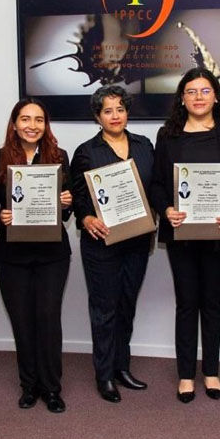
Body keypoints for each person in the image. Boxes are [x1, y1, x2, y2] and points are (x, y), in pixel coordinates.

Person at [149, 68, 220, 403]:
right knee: (187, 303)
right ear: (182, 98)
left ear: (216, 96)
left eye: (205, 90)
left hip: (218, 232)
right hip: (182, 233)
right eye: (191, 91)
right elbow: (156, 184)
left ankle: (212, 371)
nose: (198, 97)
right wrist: (166, 210)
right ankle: (186, 374)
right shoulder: (168, 135)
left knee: (211, 302)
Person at [0, 99, 73, 413]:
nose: (32, 125)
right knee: (22, 321)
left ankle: (52, 388)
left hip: (52, 255)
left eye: (39, 120)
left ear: (46, 125)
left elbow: (67, 211)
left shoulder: (59, 157)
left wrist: (67, 201)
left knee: (48, 319)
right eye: (25, 119)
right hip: (12, 255)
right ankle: (29, 386)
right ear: (15, 124)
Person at [70, 85, 155, 403]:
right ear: (98, 117)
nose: (115, 116)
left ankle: (122, 368)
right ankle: (104, 375)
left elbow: (155, 187)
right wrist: (86, 218)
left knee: (126, 306)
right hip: (101, 242)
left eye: (120, 109)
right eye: (108, 111)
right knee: (104, 309)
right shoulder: (86, 152)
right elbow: (78, 196)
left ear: (127, 112)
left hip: (137, 240)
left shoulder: (144, 146)